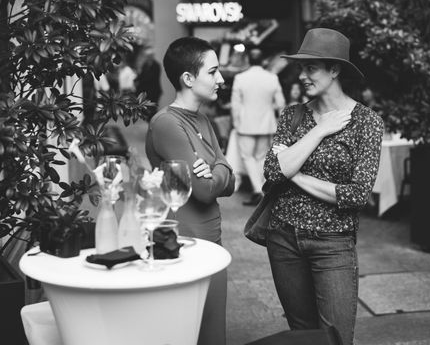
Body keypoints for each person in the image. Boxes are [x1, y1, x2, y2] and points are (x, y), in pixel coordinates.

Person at [263, 28, 384, 345]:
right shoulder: (293, 115)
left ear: (335, 69)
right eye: (300, 68)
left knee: (336, 338)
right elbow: (272, 171)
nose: (302, 76)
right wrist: (318, 132)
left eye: (310, 68)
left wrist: (295, 172)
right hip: (283, 238)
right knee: (302, 336)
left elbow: (356, 195)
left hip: (333, 244)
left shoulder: (366, 122)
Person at [145, 37, 235, 345]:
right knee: (192, 335)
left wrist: (219, 172)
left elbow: (229, 179)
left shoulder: (202, 118)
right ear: (188, 78)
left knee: (213, 333)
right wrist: (221, 170)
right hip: (183, 243)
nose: (220, 79)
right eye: (213, 72)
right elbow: (204, 191)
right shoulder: (167, 124)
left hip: (213, 240)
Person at [230, 47, 285, 206]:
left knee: (248, 157)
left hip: (246, 124)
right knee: (261, 157)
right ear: (262, 61)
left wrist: (236, 122)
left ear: (248, 60)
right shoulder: (272, 78)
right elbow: (280, 103)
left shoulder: (240, 78)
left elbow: (235, 104)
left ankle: (258, 190)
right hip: (267, 124)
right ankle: (261, 190)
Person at [134, 45, 162, 119]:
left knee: (152, 110)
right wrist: (136, 79)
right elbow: (142, 75)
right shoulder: (145, 65)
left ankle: (154, 123)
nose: (147, 58)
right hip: (146, 91)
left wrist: (140, 81)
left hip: (154, 91)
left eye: (149, 56)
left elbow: (151, 78)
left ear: (152, 56)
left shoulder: (156, 65)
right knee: (146, 110)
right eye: (146, 56)